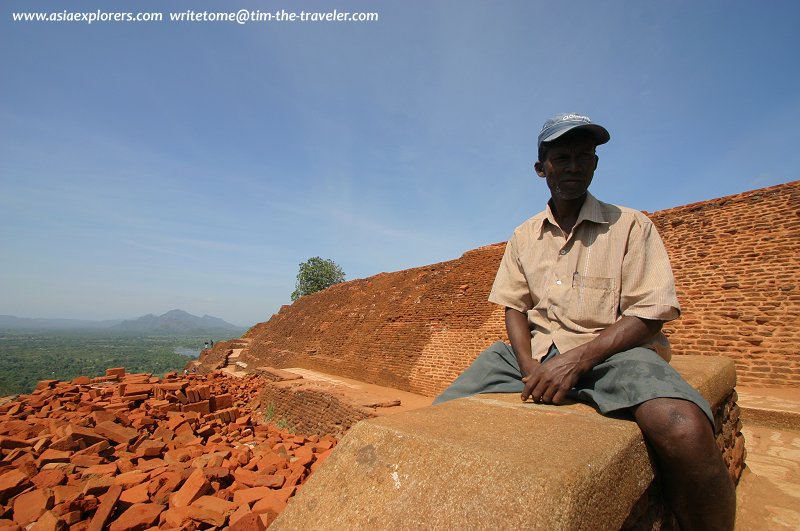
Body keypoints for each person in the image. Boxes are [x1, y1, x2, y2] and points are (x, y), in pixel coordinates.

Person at [433, 113, 735, 530]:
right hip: (535, 353)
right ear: (542, 169)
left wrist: (576, 361)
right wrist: (530, 369)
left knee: (683, 429)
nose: (573, 166)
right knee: (437, 419)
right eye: (561, 157)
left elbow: (649, 314)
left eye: (583, 156)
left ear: (595, 164)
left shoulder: (630, 226)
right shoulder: (523, 236)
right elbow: (514, 307)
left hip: (613, 352)